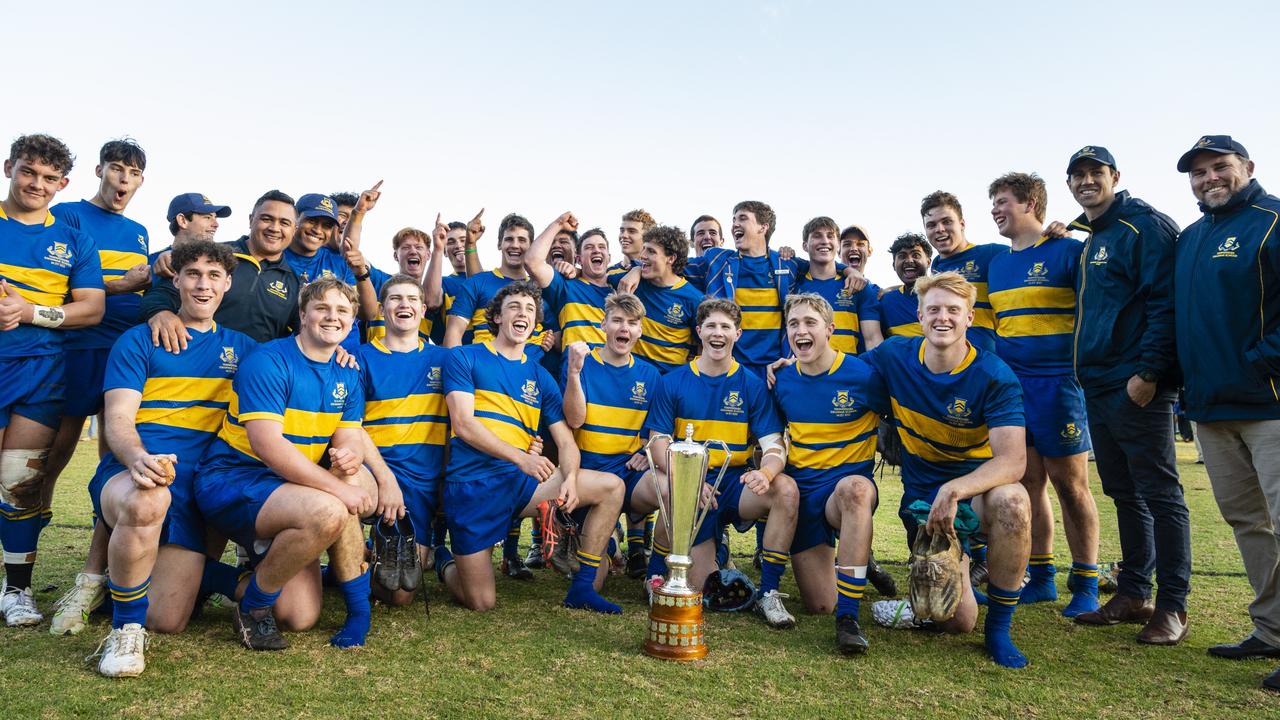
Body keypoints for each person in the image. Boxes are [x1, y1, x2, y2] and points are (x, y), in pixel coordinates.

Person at [195, 277, 397, 649]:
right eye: (322, 308)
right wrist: (337, 487)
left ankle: (220, 574)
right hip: (234, 480)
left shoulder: (348, 371)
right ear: (302, 315)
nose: (332, 317)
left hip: (288, 489)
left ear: (353, 321)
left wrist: (350, 454)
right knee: (333, 507)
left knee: (298, 617)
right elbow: (268, 445)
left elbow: (349, 433)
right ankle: (252, 607)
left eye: (342, 311)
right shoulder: (269, 360)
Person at [85, 240, 255, 676]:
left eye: (214, 275)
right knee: (147, 499)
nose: (203, 284)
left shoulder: (245, 349)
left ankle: (122, 579)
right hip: (139, 466)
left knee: (168, 620)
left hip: (202, 482)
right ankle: (124, 634)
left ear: (227, 284)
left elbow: (299, 363)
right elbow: (119, 418)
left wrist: (343, 354)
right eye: (193, 274)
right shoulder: (139, 339)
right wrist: (137, 458)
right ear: (175, 279)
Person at [863, 271, 1032, 668]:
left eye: (954, 310)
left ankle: (1000, 629)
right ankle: (961, 578)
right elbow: (837, 373)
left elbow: (1013, 461)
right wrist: (788, 362)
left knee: (1015, 501)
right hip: (924, 501)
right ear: (919, 316)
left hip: (975, 492)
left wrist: (955, 489)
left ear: (970, 317)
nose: (943, 318)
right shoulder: (894, 355)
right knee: (957, 621)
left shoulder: (994, 375)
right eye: (934, 309)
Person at [1065, 145, 1191, 646]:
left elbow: (1165, 302)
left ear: (1115, 176)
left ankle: (1173, 605)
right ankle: (1135, 591)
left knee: (1160, 493)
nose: (1086, 181)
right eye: (1077, 175)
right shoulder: (1094, 235)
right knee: (1123, 492)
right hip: (1097, 382)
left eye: (1095, 173)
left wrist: (1151, 371)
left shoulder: (1145, 226)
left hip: (1135, 382)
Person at [435, 280, 624, 613]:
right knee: (481, 602)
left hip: (522, 485)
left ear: (536, 322)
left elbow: (566, 441)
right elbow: (463, 425)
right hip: (472, 485)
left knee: (611, 487)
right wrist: (522, 459)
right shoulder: (465, 357)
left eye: (529, 309)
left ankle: (582, 588)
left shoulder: (540, 376)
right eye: (514, 307)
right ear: (496, 317)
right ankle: (444, 562)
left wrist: (568, 477)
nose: (522, 313)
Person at [1173, 135, 1280, 690]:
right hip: (1211, 409)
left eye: (1221, 167)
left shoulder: (1273, 219)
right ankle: (1271, 629)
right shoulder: (1190, 239)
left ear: (1248, 167)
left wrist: (1262, 362)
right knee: (1248, 523)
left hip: (1270, 404)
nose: (1209, 178)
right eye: (1198, 172)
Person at [34, 139, 150, 634]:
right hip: (75, 347)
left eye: (134, 173)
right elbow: (59, 280)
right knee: (48, 460)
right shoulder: (67, 216)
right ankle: (21, 569)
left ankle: (98, 572)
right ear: (100, 170)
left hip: (122, 354)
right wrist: (120, 285)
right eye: (117, 169)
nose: (124, 180)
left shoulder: (139, 231)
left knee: (113, 463)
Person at [642, 297, 799, 628]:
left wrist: (767, 472)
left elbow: (774, 444)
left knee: (785, 489)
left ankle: (769, 592)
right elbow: (658, 445)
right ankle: (657, 573)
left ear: (738, 334)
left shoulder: (752, 385)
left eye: (725, 327)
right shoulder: (673, 380)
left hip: (735, 483)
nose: (718, 333)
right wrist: (690, 481)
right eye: (711, 326)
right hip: (694, 486)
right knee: (699, 589)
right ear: (699, 331)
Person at [0, 133, 105, 627]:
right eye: (28, 172)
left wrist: (30, 311)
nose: (36, 184)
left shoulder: (74, 240)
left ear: (62, 184)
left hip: (39, 372)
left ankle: (16, 591)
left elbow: (91, 308)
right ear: (9, 168)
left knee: (21, 482)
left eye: (48, 178)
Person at [986, 172, 1101, 617]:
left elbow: (1101, 276)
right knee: (1029, 482)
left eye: (1003, 202)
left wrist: (1073, 227)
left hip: (1060, 385)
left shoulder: (1069, 250)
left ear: (1031, 203)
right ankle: (1042, 577)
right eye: (993, 203)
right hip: (1014, 389)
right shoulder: (997, 262)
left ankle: (1087, 580)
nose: (996, 209)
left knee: (1071, 485)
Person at [772, 293, 880, 654]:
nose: (800, 330)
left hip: (845, 489)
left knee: (856, 491)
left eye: (810, 323)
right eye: (793, 324)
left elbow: (900, 419)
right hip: (804, 494)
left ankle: (848, 620)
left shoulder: (864, 375)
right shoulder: (781, 380)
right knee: (819, 604)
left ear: (830, 329)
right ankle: (860, 561)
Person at [357, 274, 450, 606]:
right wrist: (383, 478)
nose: (404, 305)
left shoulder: (446, 360)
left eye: (412, 299)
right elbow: (352, 426)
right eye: (395, 299)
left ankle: (366, 561)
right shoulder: (358, 357)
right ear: (382, 309)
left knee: (400, 595)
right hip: (374, 472)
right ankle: (343, 568)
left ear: (424, 309)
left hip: (423, 480)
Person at [141, 190, 301, 346]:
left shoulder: (294, 281)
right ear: (251, 220)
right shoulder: (214, 255)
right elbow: (160, 295)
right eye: (267, 219)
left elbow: (300, 334)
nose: (274, 228)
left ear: (294, 230)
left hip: (256, 371)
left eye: (284, 223)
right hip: (200, 365)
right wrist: (161, 313)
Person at [921, 191, 1003, 352]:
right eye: (931, 225)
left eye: (947, 221)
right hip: (951, 364)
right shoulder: (937, 267)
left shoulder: (991, 253)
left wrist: (1055, 234)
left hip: (989, 362)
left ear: (962, 224)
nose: (939, 229)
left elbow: (1028, 253)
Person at [794, 216, 883, 354]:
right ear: (805, 245)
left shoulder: (858, 286)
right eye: (817, 236)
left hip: (849, 371)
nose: (825, 241)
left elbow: (873, 339)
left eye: (830, 236)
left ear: (837, 244)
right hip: (806, 371)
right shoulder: (793, 285)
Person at [877, 232, 931, 338]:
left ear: (928, 262)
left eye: (916, 255)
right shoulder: (886, 301)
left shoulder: (944, 295)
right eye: (902, 256)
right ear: (893, 265)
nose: (909, 260)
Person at [609, 209, 656, 279]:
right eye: (622, 231)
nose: (624, 235)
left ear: (647, 238)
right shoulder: (607, 273)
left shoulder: (656, 275)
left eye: (632, 231)